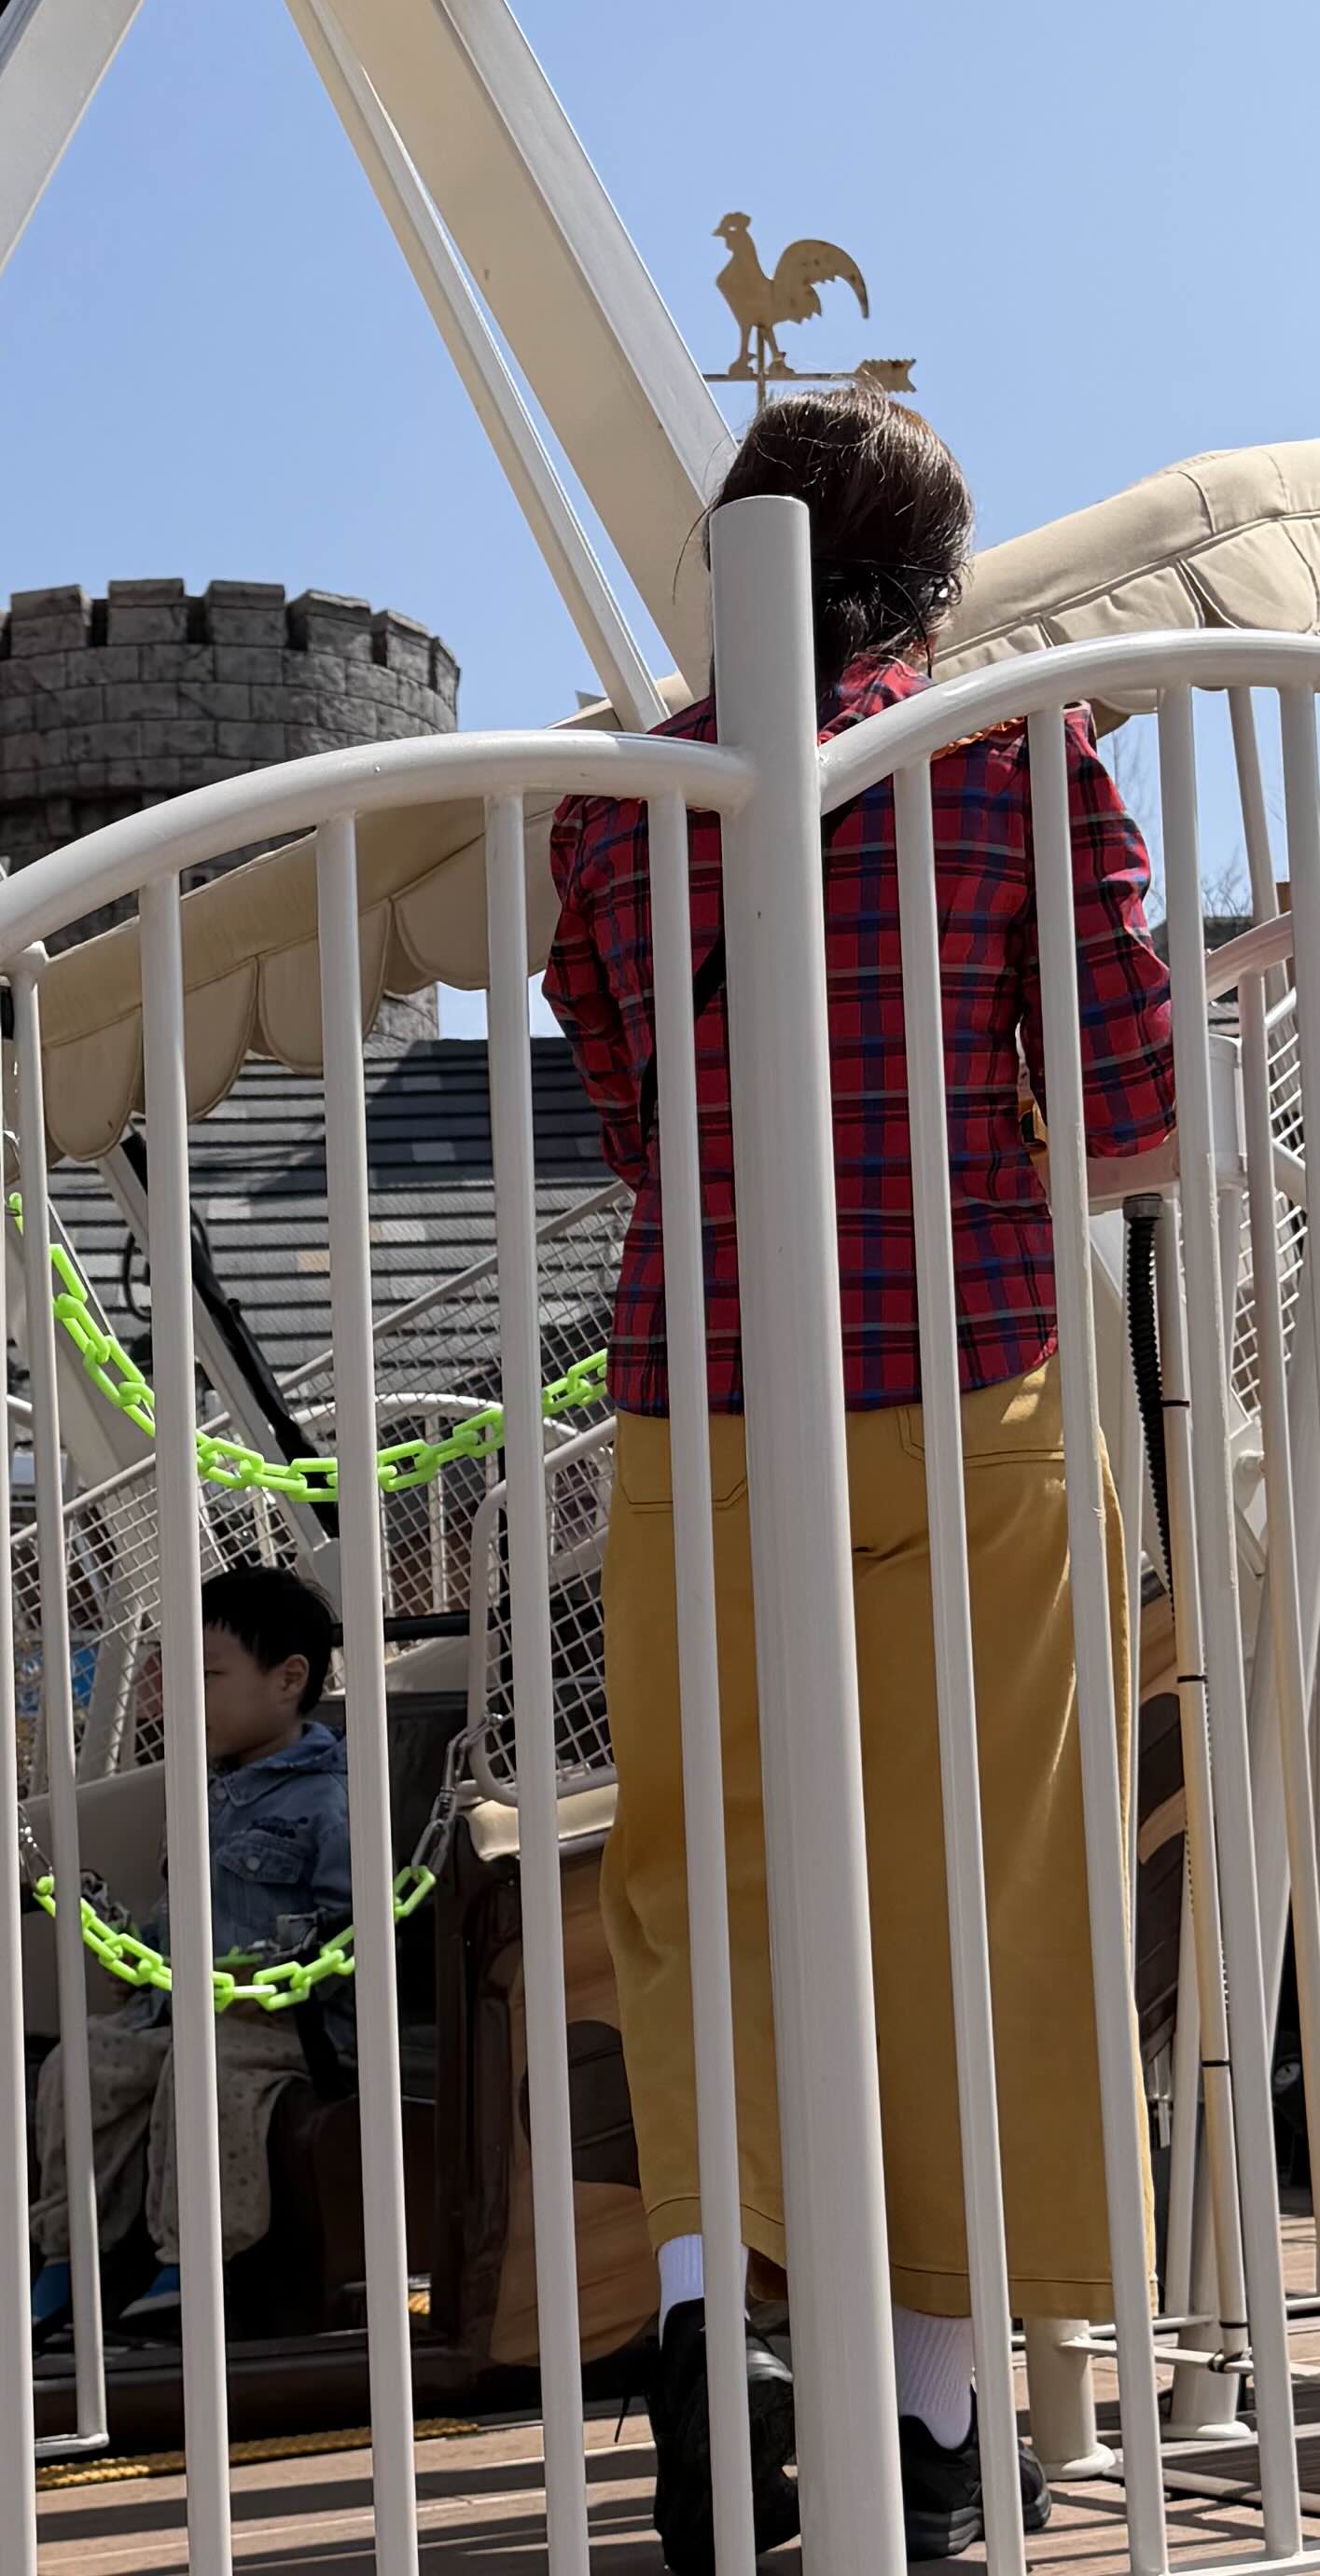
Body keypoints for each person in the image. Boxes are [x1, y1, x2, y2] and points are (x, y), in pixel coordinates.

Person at [545, 390, 1176, 2570]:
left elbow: (631, 1120)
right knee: (973, 1888)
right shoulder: (1014, 754)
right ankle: (928, 2418)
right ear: (927, 578)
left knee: (694, 1877)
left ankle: (708, 2314)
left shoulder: (616, 804)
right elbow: (1127, 1108)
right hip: (959, 1383)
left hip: (693, 1398)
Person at [29, 1563, 353, 2342]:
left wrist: (274, 1971)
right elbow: (178, 1914)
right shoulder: (202, 1795)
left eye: (207, 1676)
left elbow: (351, 1928)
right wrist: (134, 1953)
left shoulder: (330, 1799)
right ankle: (71, 2258)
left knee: (203, 2066)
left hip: (278, 2021)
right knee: (80, 2064)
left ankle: (195, 2259)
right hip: (177, 2007)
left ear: (288, 1679)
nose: (185, 1696)